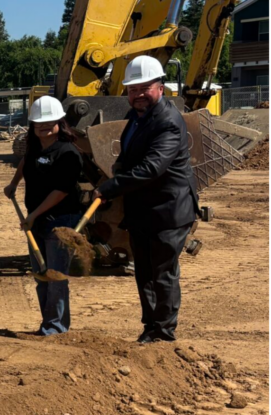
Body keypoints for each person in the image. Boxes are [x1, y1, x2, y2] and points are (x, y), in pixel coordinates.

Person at [93, 55, 198, 344]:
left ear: (160, 88)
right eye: (132, 89)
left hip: (169, 209)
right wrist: (118, 169)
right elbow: (129, 155)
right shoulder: (135, 118)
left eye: (144, 87)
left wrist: (112, 187)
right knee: (144, 271)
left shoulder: (168, 122)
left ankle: (163, 332)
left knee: (162, 271)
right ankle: (150, 326)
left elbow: (153, 167)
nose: (137, 94)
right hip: (143, 208)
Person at [3, 96, 83, 336]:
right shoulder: (35, 148)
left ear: (60, 122)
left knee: (56, 276)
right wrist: (13, 184)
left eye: (49, 122)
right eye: (39, 123)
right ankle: (47, 323)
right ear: (33, 125)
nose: (44, 126)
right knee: (40, 275)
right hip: (36, 221)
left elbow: (61, 191)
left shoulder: (68, 153)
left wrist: (34, 214)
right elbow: (25, 162)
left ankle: (56, 327)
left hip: (60, 221)